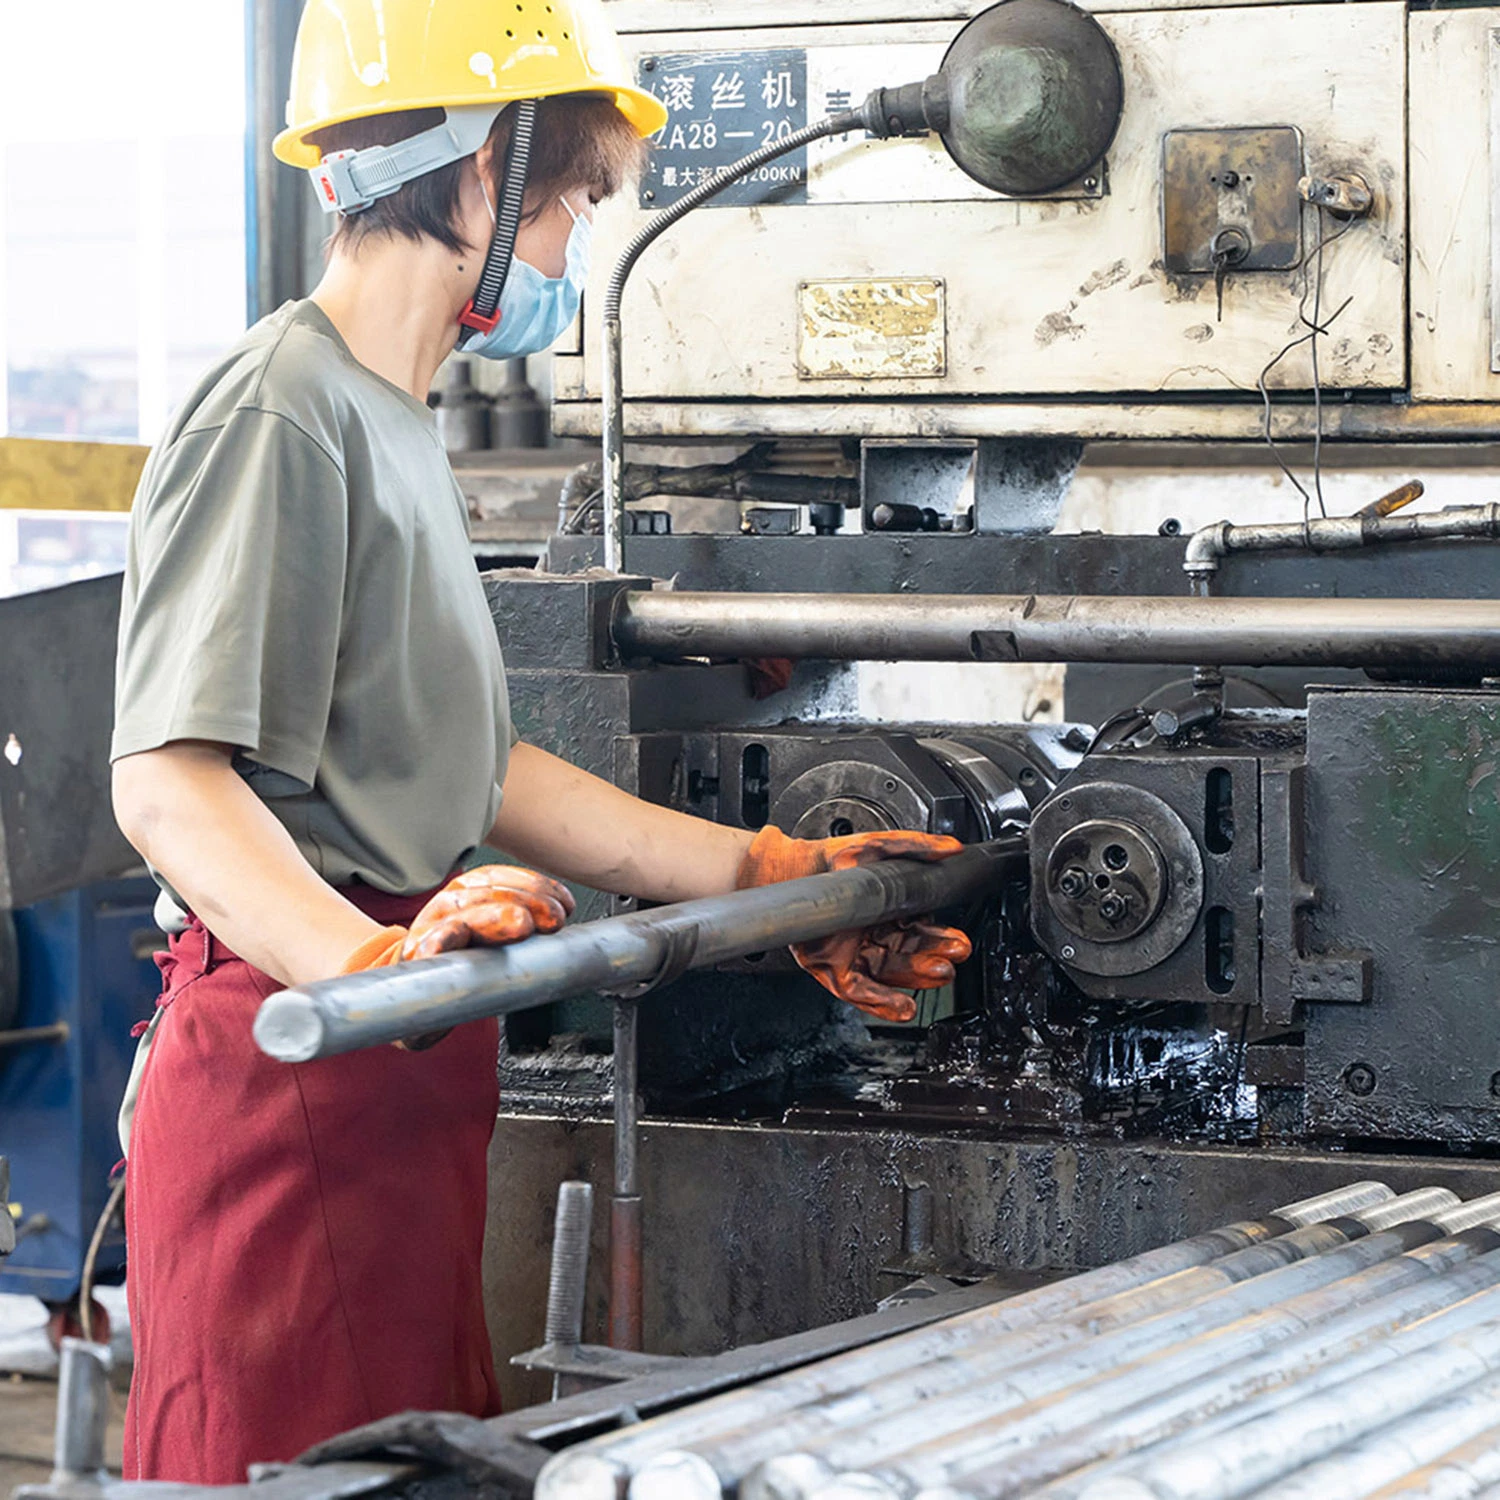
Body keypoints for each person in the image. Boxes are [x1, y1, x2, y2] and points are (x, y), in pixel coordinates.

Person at [108, 0, 973, 1483]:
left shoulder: (389, 419)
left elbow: (480, 768)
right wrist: (367, 971)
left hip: (396, 1065)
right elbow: (169, 784)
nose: (574, 244)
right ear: (477, 172)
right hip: (296, 1068)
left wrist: (767, 877)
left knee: (409, 1462)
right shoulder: (280, 415)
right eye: (572, 197)